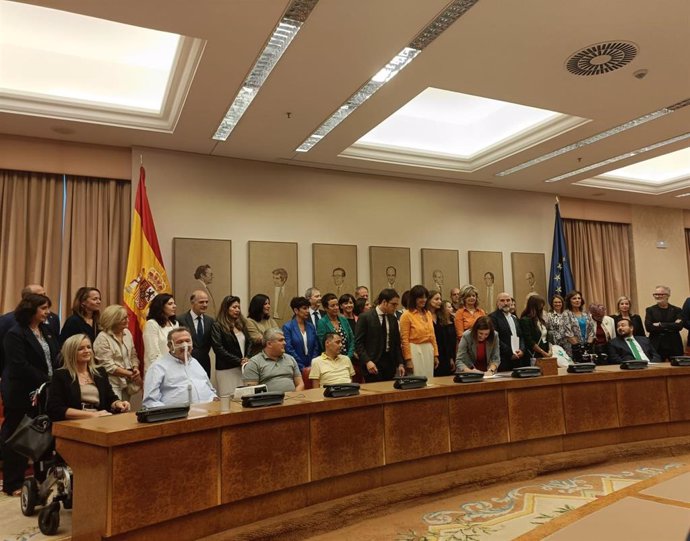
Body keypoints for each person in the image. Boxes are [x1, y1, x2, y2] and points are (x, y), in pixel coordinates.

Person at [0, 293, 59, 496]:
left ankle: (40, 479)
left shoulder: (47, 330)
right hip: (20, 393)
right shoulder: (15, 334)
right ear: (30, 310)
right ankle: (12, 483)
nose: (47, 312)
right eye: (43, 308)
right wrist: (46, 380)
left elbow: (54, 356)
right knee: (17, 436)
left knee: (42, 435)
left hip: (44, 392)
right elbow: (19, 366)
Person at [47, 334, 130, 420]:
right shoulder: (61, 375)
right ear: (71, 352)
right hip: (75, 422)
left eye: (88, 347)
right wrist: (92, 415)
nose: (86, 351)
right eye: (81, 349)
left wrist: (118, 404)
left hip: (100, 419)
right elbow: (55, 408)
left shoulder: (100, 372)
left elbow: (110, 398)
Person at [143, 328, 217, 407]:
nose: (185, 345)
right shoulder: (158, 367)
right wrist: (170, 413)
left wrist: (214, 398)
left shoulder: (195, 362)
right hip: (178, 416)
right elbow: (150, 401)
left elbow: (210, 388)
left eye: (188, 341)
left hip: (207, 412)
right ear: (170, 346)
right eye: (180, 342)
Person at [0, 284, 60, 374]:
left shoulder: (47, 328)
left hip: (48, 381)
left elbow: (55, 354)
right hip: (25, 382)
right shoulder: (12, 328)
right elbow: (19, 363)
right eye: (43, 308)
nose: (48, 312)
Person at [355, 288, 405, 382]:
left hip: (389, 363)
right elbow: (358, 343)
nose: (395, 307)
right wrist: (367, 361)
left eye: (397, 305)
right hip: (372, 362)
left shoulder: (393, 319)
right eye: (393, 304)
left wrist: (400, 363)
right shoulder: (365, 317)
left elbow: (396, 344)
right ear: (384, 302)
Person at [93, 305, 141, 401]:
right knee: (116, 411)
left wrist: (135, 368)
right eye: (123, 318)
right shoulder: (102, 338)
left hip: (128, 383)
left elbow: (133, 355)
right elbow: (107, 366)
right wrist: (130, 374)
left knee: (127, 411)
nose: (127, 320)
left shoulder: (127, 333)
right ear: (113, 320)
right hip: (112, 383)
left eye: (127, 317)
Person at [210, 295, 250, 396]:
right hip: (226, 370)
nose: (237, 310)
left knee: (243, 398)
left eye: (239, 307)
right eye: (234, 307)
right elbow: (218, 349)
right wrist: (238, 360)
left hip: (242, 368)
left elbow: (249, 343)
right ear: (226, 308)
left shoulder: (241, 324)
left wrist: (247, 358)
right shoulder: (217, 326)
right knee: (228, 399)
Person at [400, 285, 439, 378]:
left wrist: (435, 355)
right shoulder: (406, 315)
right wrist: (408, 359)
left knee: (430, 380)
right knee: (417, 379)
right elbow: (404, 339)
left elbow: (433, 336)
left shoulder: (428, 313)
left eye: (425, 297)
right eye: (421, 297)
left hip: (429, 349)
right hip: (415, 350)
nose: (424, 300)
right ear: (414, 298)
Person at [177, 290, 215, 377]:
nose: (205, 305)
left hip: (204, 364)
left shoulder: (210, 321)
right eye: (201, 302)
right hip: (185, 363)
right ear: (192, 302)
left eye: (206, 302)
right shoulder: (180, 320)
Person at [645, 285, 685, 361]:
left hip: (674, 344)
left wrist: (661, 324)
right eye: (656, 294)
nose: (657, 296)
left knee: (677, 369)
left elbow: (679, 326)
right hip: (657, 345)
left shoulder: (677, 310)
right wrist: (672, 325)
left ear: (668, 295)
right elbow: (649, 327)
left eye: (661, 294)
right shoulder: (650, 310)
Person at [490, 292, 526, 371]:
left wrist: (522, 350)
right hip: (503, 359)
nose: (505, 303)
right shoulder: (493, 317)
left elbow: (521, 336)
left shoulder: (514, 318)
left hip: (518, 358)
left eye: (508, 300)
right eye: (502, 301)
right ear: (497, 303)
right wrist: (510, 353)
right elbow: (496, 339)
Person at [282, 297, 320, 370]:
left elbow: (316, 347)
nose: (308, 311)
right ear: (296, 310)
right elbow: (288, 349)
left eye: (308, 308)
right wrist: (301, 366)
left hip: (312, 366)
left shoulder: (311, 326)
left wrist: (312, 364)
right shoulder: (287, 327)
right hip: (294, 366)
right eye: (304, 308)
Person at [142, 293, 179, 370]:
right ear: (161, 307)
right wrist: (167, 369)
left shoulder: (175, 324)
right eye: (170, 304)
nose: (174, 306)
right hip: (157, 369)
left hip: (174, 368)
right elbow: (153, 354)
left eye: (174, 303)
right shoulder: (152, 324)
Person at [317, 293, 355, 358]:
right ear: (325, 308)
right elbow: (324, 344)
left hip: (348, 358)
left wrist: (349, 356)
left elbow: (352, 340)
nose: (336, 308)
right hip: (331, 359)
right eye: (332, 306)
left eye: (337, 305)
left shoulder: (343, 320)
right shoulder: (322, 322)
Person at [427, 291, 456, 376]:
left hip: (444, 354)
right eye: (436, 299)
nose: (439, 301)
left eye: (440, 299)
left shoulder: (441, 315)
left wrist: (450, 358)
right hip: (430, 352)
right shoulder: (424, 315)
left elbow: (447, 339)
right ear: (428, 300)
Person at [519, 295, 551, 359]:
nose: (542, 306)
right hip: (534, 354)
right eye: (540, 304)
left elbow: (547, 337)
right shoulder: (525, 320)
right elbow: (529, 341)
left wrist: (550, 350)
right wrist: (542, 352)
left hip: (545, 351)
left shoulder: (541, 320)